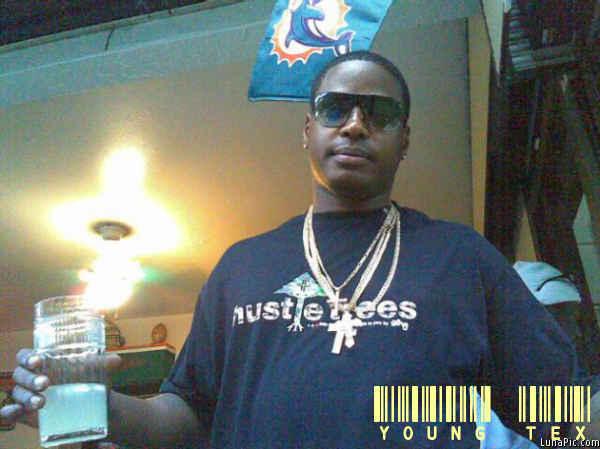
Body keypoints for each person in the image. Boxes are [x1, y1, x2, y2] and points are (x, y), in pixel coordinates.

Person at [0, 51, 594, 448]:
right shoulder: (241, 266)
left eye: (380, 113)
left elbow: (561, 413)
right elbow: (188, 415)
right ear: (308, 130)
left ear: (405, 139)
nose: (355, 124)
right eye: (335, 108)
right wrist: (99, 407)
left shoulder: (462, 257)